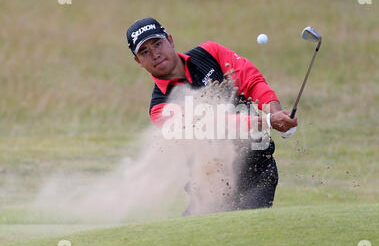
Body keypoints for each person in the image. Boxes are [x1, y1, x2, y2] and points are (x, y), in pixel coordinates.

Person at [126, 18, 297, 215]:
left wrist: (274, 111)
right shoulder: (160, 108)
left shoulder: (210, 53)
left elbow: (251, 81)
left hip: (257, 173)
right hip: (212, 190)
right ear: (138, 61)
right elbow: (209, 126)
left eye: (157, 44)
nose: (155, 54)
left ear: (170, 41)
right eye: (144, 51)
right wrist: (266, 121)